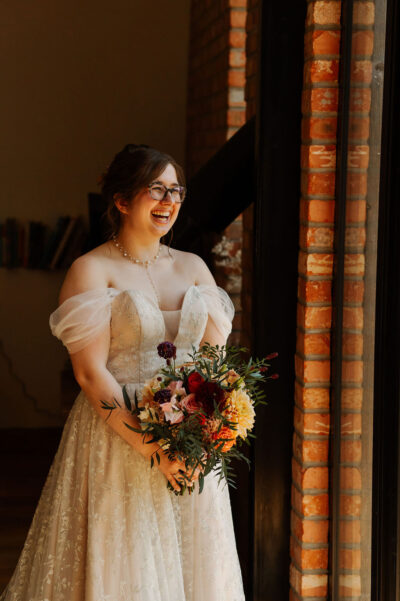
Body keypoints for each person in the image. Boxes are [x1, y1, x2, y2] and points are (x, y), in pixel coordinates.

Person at [1, 144, 245, 601]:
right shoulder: (91, 270)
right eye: (156, 189)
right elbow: (91, 375)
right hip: (118, 439)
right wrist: (153, 448)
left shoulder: (194, 267)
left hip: (191, 439)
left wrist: (204, 436)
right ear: (121, 200)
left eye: (176, 190)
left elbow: (214, 366)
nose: (169, 201)